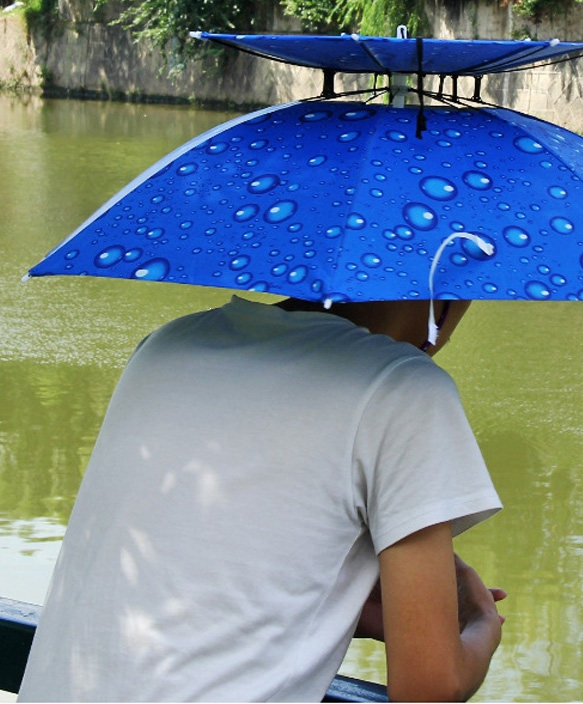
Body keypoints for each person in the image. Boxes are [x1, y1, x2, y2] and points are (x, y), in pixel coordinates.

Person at [18, 295, 504, 702]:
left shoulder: (167, 345)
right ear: (449, 291)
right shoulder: (404, 386)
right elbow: (428, 687)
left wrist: (339, 606)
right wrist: (480, 623)